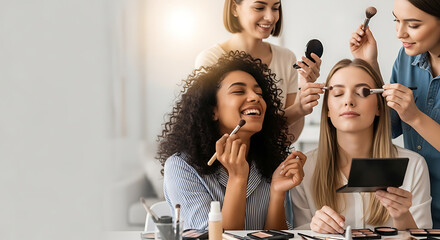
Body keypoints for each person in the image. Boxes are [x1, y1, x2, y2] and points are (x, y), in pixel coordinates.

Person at [157, 51, 306, 230]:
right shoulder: (181, 166)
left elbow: (275, 236)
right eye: (238, 91)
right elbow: (214, 237)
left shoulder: (270, 163)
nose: (255, 97)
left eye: (259, 93)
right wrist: (237, 178)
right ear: (213, 111)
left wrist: (277, 192)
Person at [290, 59, 432, 232]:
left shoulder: (413, 166)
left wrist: (403, 217)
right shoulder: (305, 169)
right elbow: (299, 234)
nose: (349, 101)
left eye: (363, 92)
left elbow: (423, 236)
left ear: (380, 107)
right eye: (338, 94)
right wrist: (313, 229)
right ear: (327, 109)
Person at [349, 0, 440, 227]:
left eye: (413, 25)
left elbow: (409, 118)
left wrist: (416, 118)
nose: (400, 33)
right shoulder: (407, 57)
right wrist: (369, 63)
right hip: (417, 202)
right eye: (396, 20)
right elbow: (389, 127)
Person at [195, 0, 324, 141]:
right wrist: (297, 108)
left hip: (272, 161)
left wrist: (304, 87)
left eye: (275, 8)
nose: (270, 17)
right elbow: (208, 130)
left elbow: (288, 138)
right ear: (234, 8)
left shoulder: (286, 59)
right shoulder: (211, 59)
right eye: (259, 7)